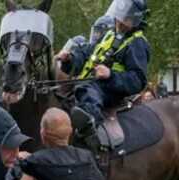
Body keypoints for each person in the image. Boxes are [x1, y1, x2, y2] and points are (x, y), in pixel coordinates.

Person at [57, 0, 150, 148]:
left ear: (136, 21)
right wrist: (69, 59)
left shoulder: (137, 43)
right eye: (120, 16)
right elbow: (86, 53)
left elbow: (138, 80)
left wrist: (110, 75)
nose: (120, 21)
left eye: (126, 18)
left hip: (111, 89)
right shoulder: (109, 35)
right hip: (89, 84)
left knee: (87, 91)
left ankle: (91, 134)